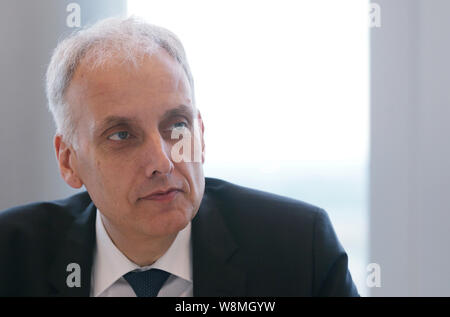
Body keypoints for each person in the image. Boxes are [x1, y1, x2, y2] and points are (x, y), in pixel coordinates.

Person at [0, 16, 358, 297]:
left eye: (176, 125)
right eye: (121, 135)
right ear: (68, 161)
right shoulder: (11, 258)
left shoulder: (298, 251)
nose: (163, 161)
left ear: (200, 133)